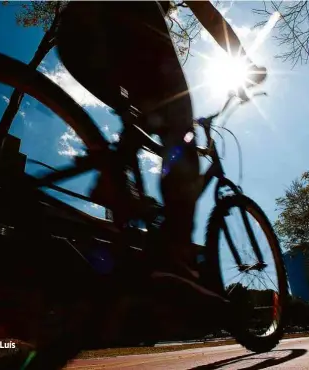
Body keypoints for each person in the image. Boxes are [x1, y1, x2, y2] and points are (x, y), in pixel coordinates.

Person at [56, 0, 267, 341]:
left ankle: (117, 183)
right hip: (122, 20)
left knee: (143, 115)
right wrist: (244, 63)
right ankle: (174, 257)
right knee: (179, 119)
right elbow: (209, 13)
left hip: (74, 33)